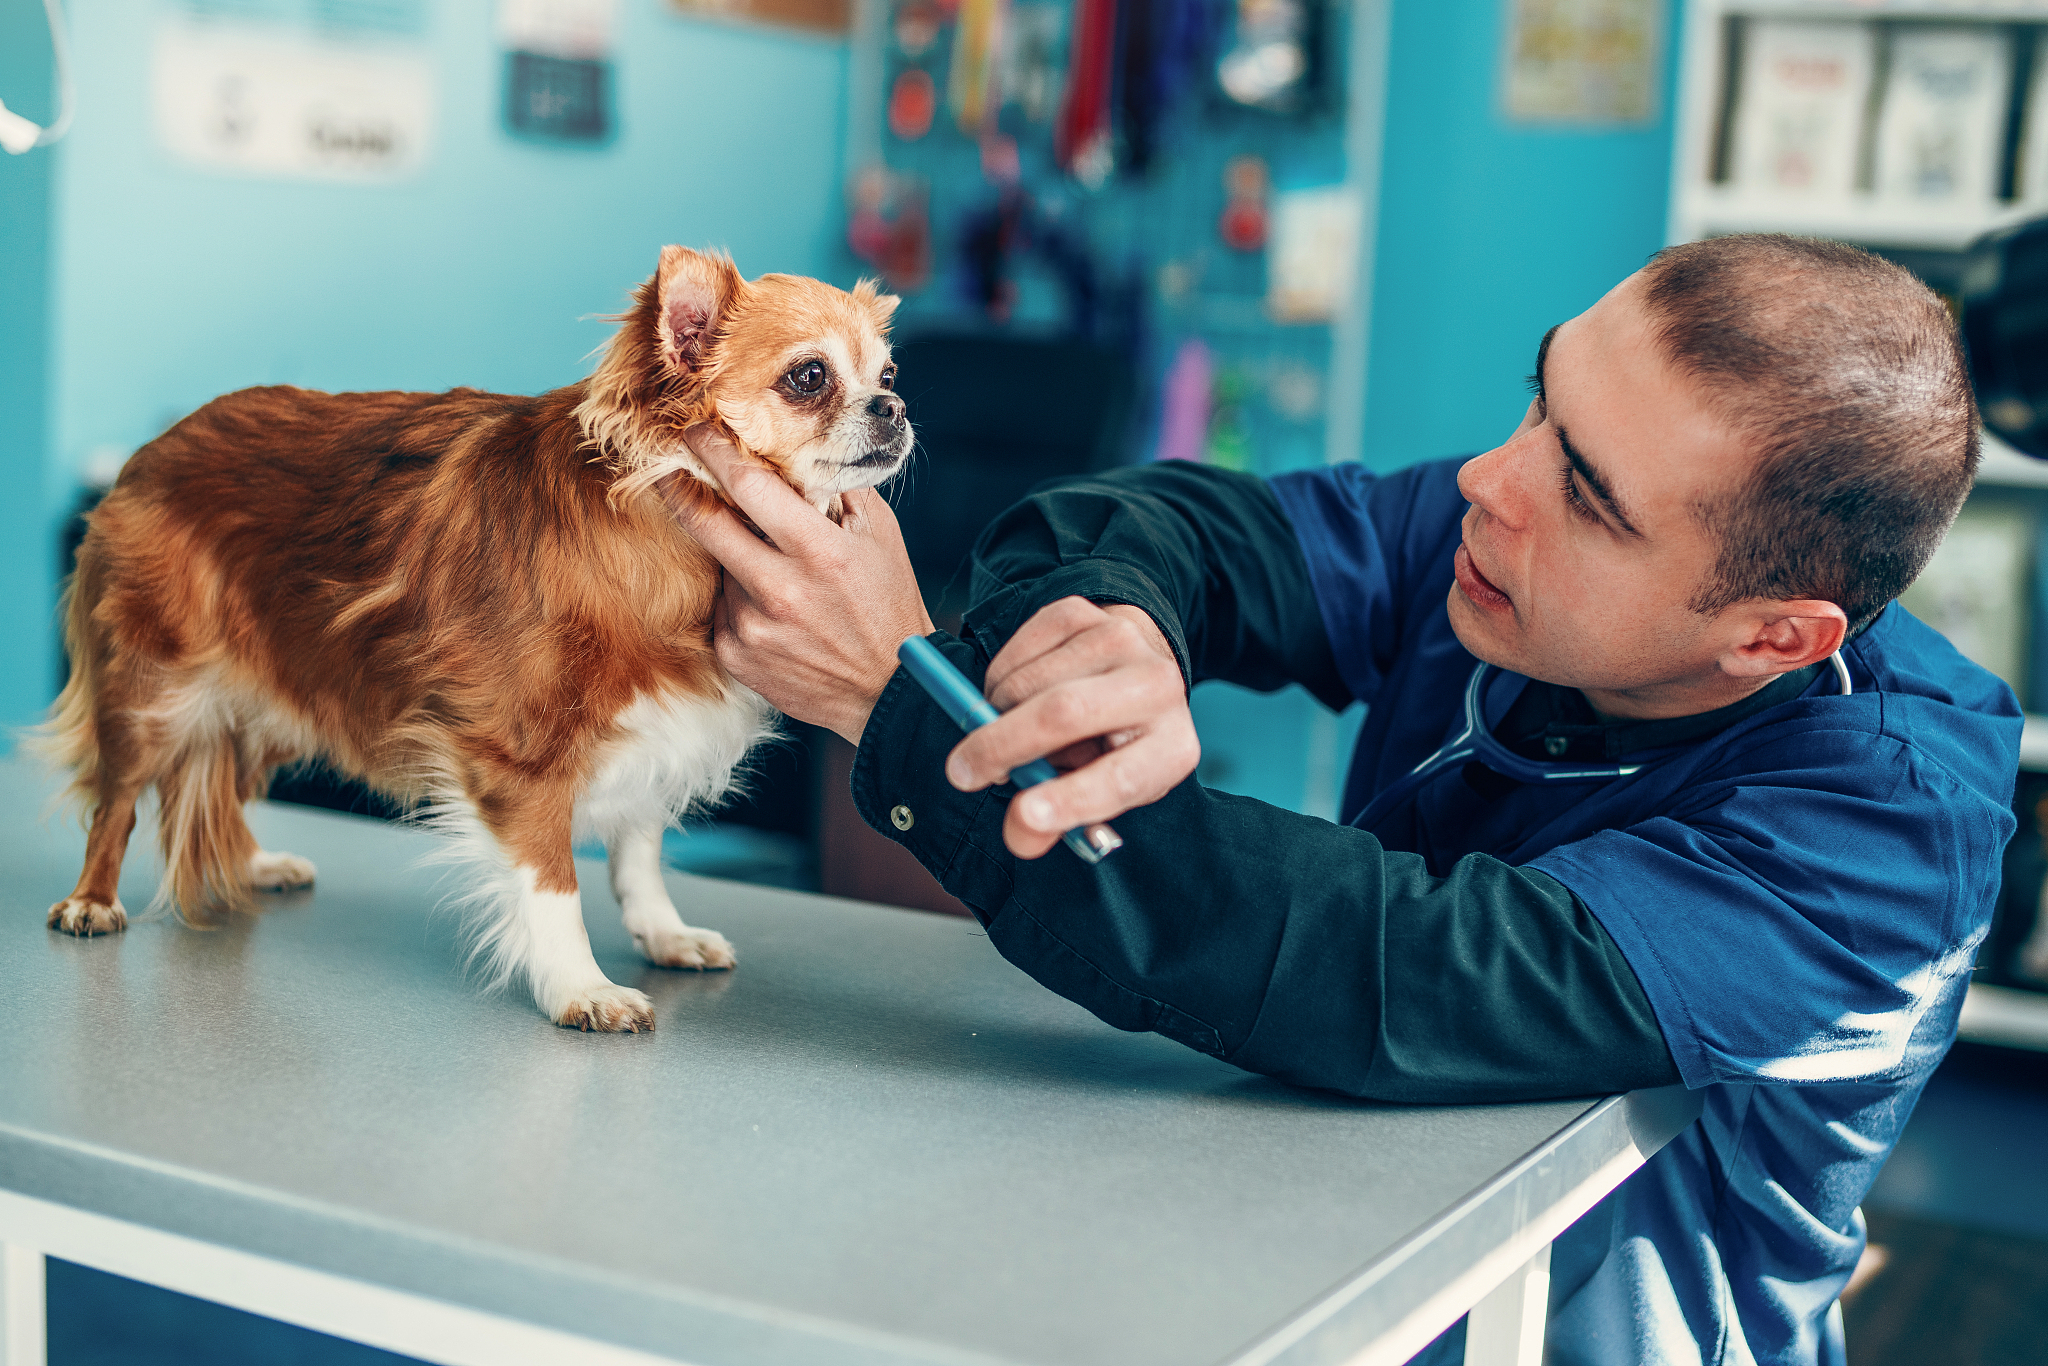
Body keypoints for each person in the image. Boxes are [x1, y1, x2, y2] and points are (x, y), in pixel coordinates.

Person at [677, 234, 2020, 1366]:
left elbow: (1390, 967)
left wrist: (905, 704)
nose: (1493, 481)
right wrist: (1116, 621)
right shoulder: (1503, 537)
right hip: (1330, 1278)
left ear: (1770, 638)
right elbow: (1187, 527)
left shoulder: (1886, 839)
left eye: (1591, 494)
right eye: (1541, 400)